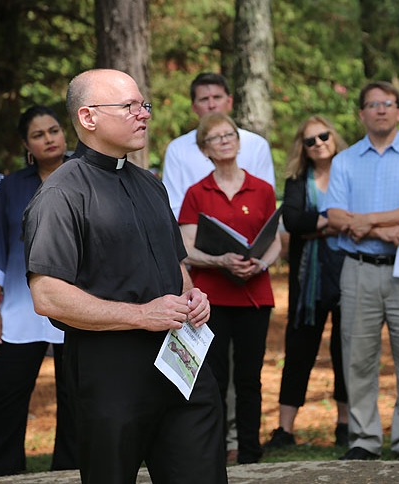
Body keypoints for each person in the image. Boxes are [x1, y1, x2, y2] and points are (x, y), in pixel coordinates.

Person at [22, 69, 225, 484]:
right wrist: (140, 315)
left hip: (181, 365)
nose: (143, 114)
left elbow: (176, 266)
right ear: (88, 117)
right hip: (111, 372)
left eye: (143, 104)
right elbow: (48, 296)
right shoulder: (61, 194)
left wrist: (193, 296)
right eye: (129, 106)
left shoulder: (152, 186)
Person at [325, 81, 399, 462]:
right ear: (361, 113)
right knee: (357, 357)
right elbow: (336, 216)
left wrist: (370, 222)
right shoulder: (343, 161)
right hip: (358, 270)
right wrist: (384, 229)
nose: (380, 110)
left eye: (387, 104)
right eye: (372, 104)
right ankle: (363, 438)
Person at [162, 72, 275, 461]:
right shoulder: (196, 192)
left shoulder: (262, 188)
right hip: (210, 296)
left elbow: (275, 239)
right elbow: (187, 247)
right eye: (215, 139)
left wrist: (260, 263)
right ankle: (214, 449)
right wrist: (220, 260)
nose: (224, 142)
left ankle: (250, 451)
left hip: (255, 292)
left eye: (229, 136)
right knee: (213, 377)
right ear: (204, 149)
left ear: (239, 143)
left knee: (249, 377)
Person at [0, 105, 77, 476]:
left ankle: (69, 474)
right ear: (27, 145)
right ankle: (6, 474)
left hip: (79, 305)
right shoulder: (11, 186)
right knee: (6, 401)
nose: (49, 139)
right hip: (19, 308)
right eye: (39, 135)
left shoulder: (87, 175)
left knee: (77, 402)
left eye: (54, 130)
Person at [264, 116, 349, 450]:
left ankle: (345, 424)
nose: (318, 144)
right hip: (307, 280)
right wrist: (334, 222)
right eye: (309, 141)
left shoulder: (350, 172)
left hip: (348, 273)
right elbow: (293, 220)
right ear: (303, 148)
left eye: (323, 136)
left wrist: (318, 225)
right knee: (299, 351)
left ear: (334, 136)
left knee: (346, 351)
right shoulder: (297, 180)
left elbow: (360, 215)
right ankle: (285, 429)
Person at [163, 72, 275, 219]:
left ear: (229, 101)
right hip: (194, 234)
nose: (211, 105)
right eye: (204, 99)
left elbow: (265, 199)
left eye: (217, 97)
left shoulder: (256, 144)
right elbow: (173, 204)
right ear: (194, 107)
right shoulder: (177, 149)